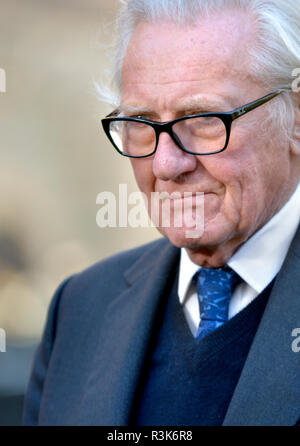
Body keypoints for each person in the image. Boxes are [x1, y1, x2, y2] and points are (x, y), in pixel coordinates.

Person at [23, 0, 300, 426]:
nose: (166, 166)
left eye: (204, 119)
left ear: (295, 118)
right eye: (140, 123)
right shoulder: (80, 309)